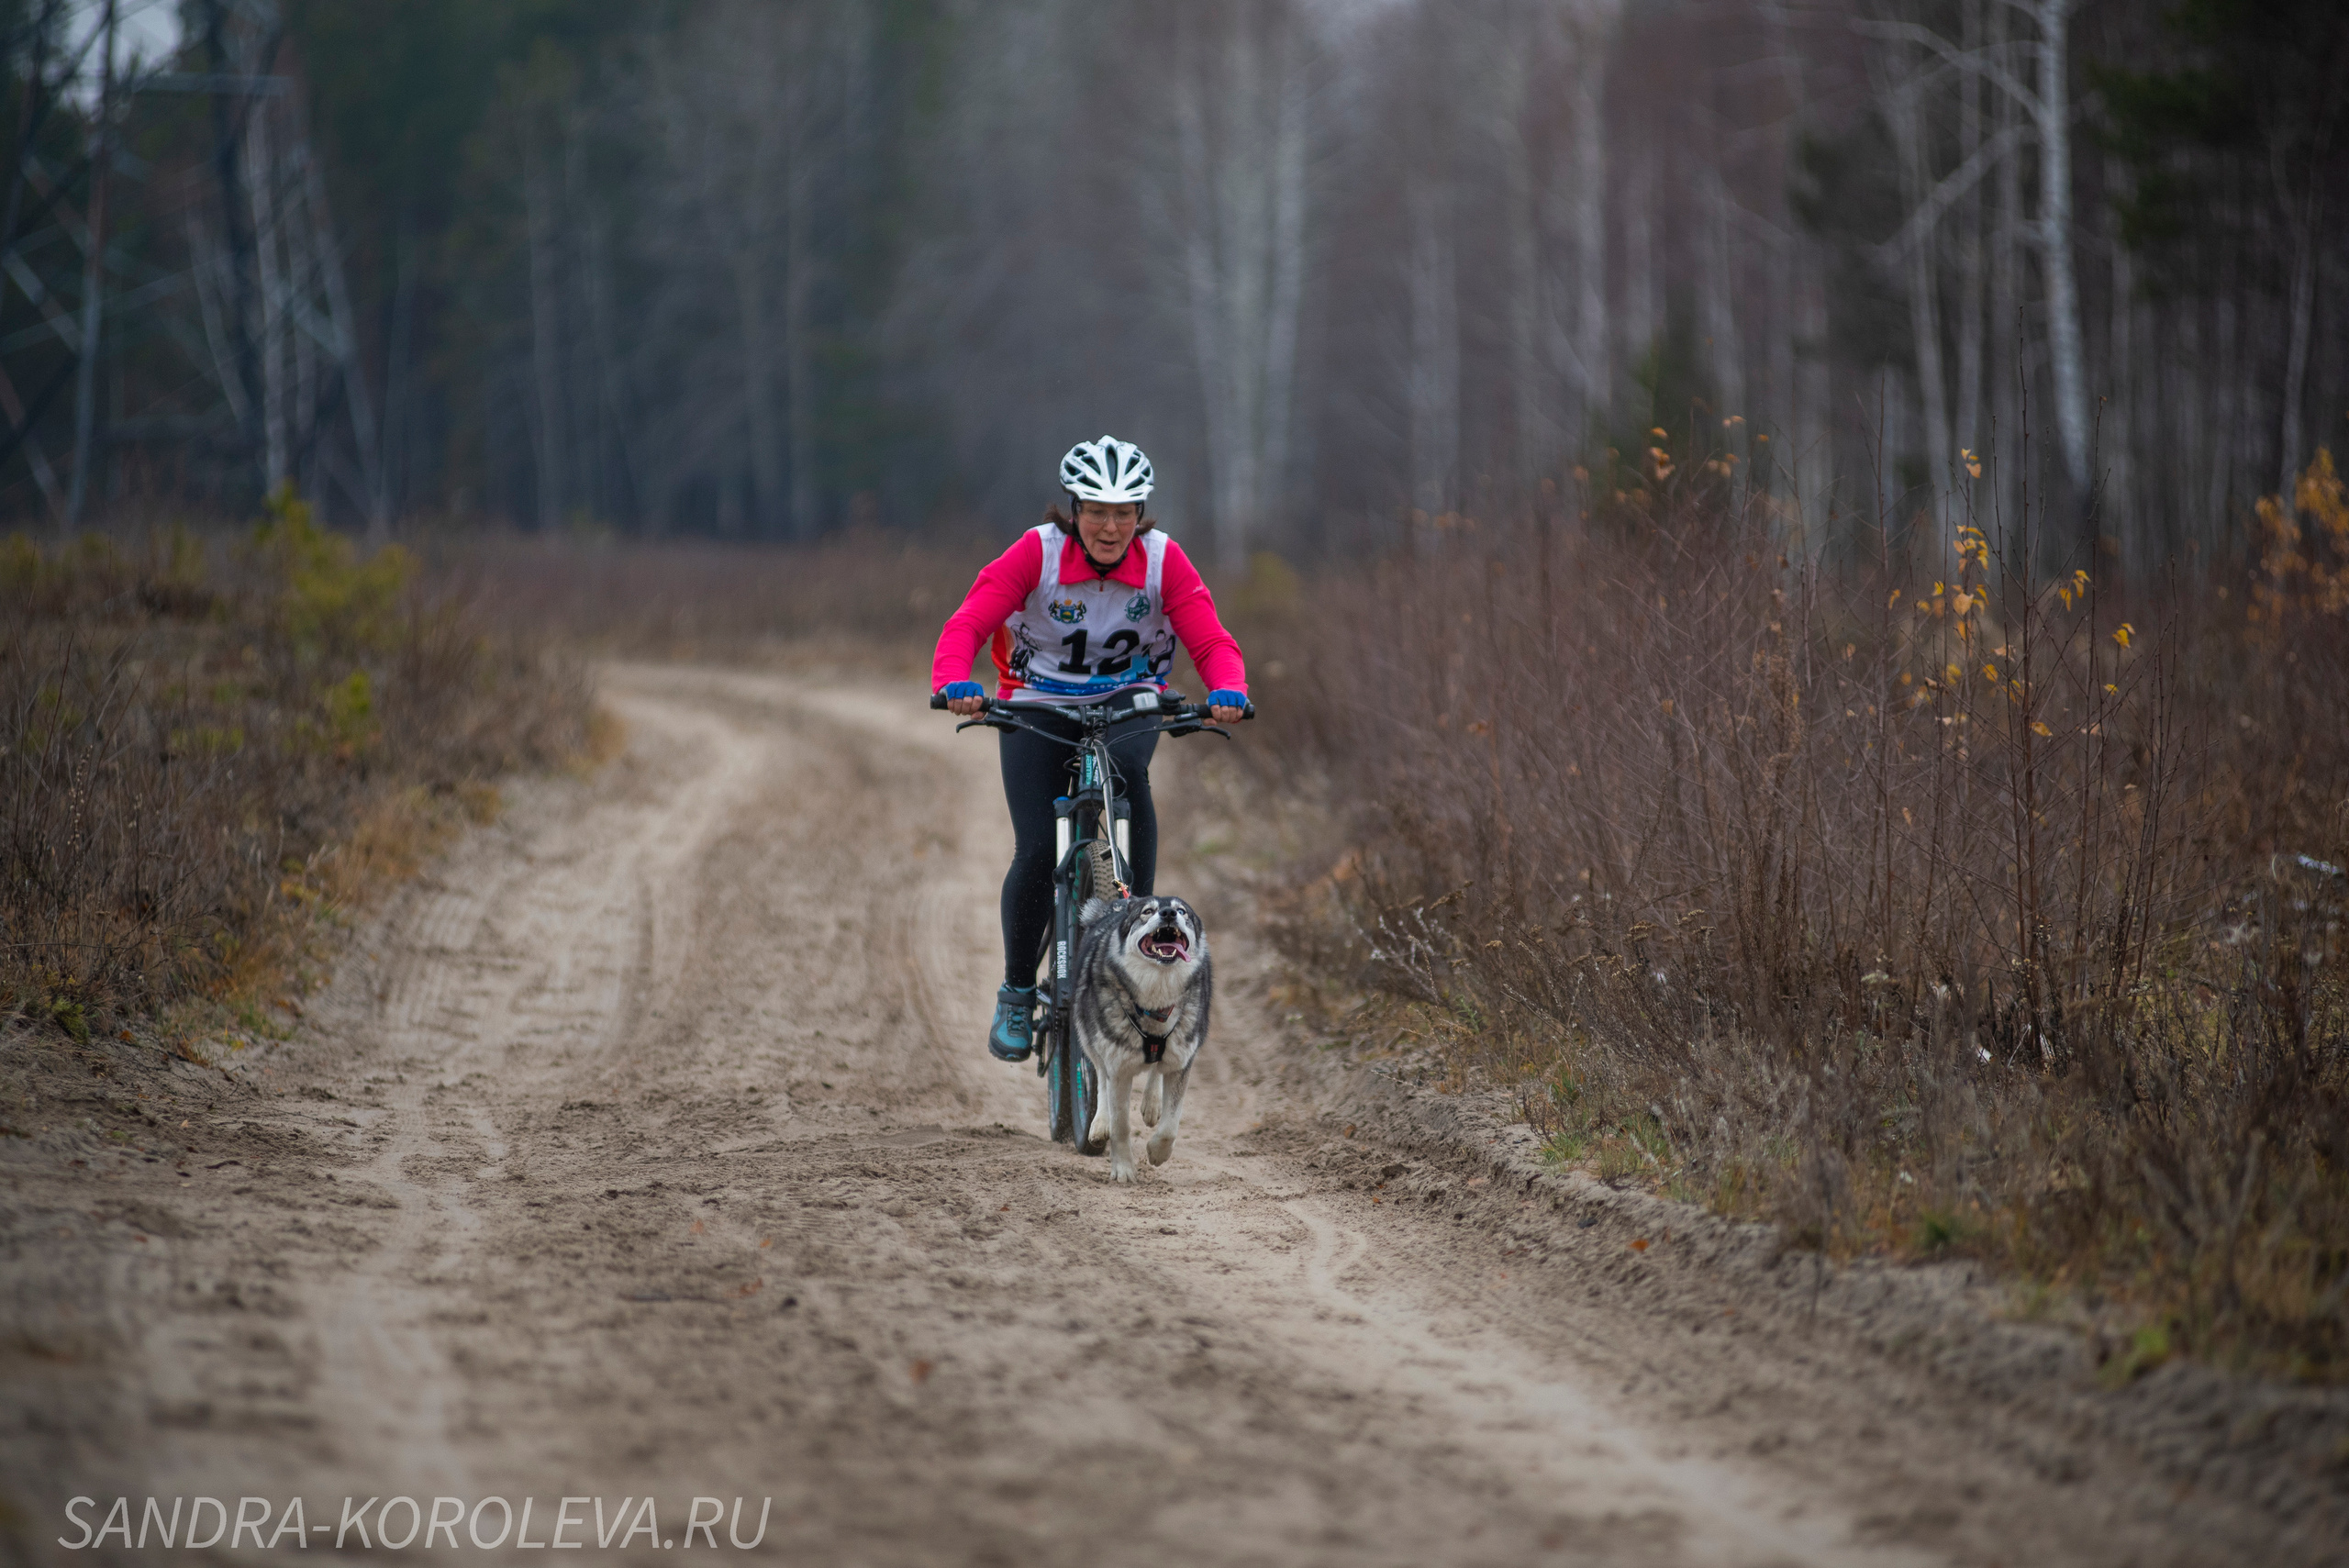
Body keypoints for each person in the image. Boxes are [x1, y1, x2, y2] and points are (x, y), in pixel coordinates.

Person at [931, 436, 1251, 1062]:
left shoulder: (1163, 561)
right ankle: (1018, 992)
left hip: (1129, 695)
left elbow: (1212, 640)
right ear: (1073, 510)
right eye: (1097, 510)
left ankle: (1136, 915)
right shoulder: (1038, 553)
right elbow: (967, 622)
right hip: (1035, 697)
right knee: (1034, 847)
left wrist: (1229, 689)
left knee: (1132, 774)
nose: (1110, 525)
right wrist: (953, 681)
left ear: (1140, 514)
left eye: (1124, 511)